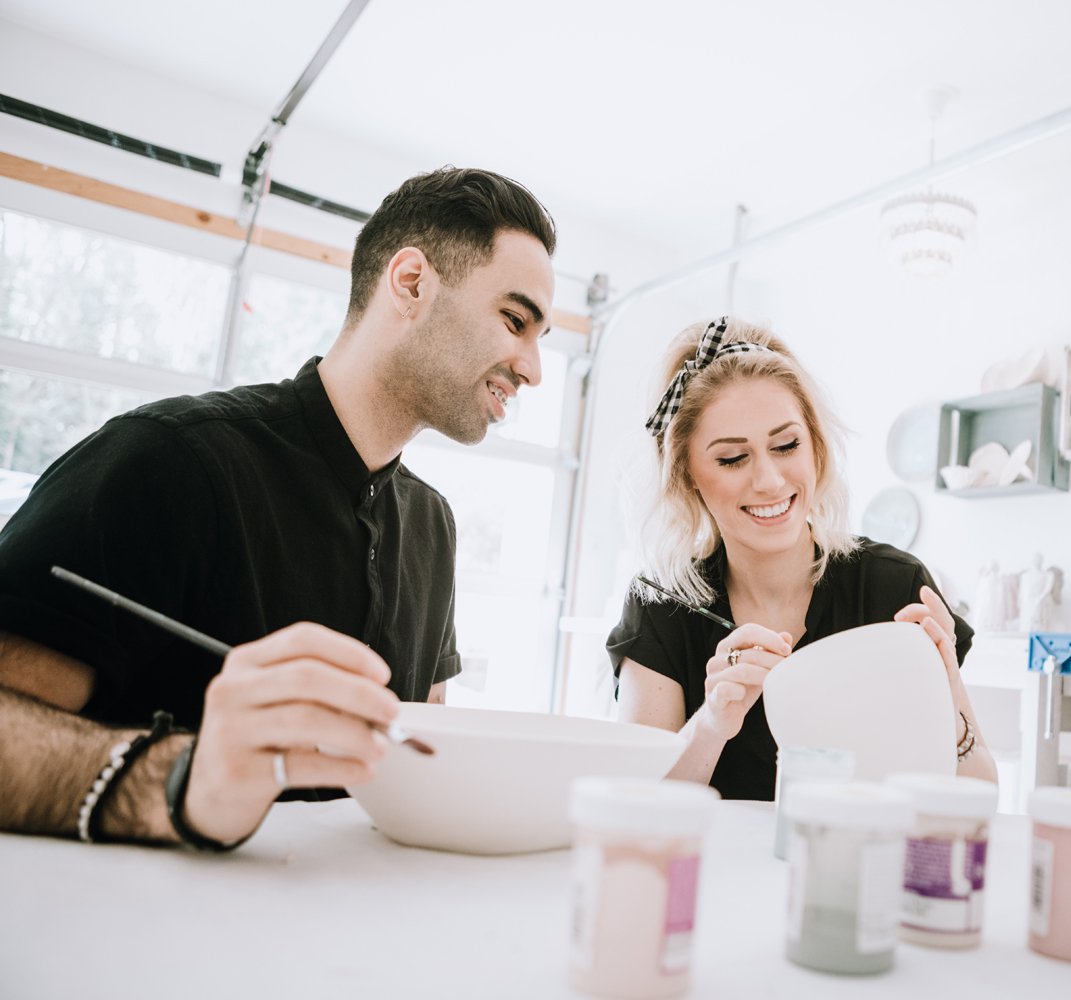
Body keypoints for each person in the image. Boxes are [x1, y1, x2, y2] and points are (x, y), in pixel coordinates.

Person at [0, 167, 556, 848]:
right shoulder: (166, 463)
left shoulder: (434, 527)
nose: (532, 369)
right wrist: (181, 780)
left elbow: (413, 754)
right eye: (514, 320)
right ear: (410, 283)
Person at [608, 317, 997, 800]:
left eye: (786, 445)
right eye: (732, 458)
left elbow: (977, 794)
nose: (769, 480)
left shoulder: (894, 586)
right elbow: (633, 807)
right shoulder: (660, 604)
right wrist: (710, 724)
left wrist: (947, 686)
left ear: (814, 446)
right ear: (687, 475)